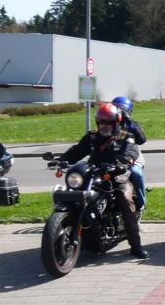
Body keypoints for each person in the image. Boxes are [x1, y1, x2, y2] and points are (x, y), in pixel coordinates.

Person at [60, 103, 149, 258]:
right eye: (101, 122)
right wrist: (62, 160)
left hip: (117, 176)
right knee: (73, 192)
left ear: (116, 122)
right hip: (94, 175)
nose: (103, 125)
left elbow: (131, 151)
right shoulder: (92, 137)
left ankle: (136, 246)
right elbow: (77, 151)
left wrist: (124, 162)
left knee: (125, 199)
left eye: (108, 122)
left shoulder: (125, 136)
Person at [111, 96, 148, 209]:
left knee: (135, 172)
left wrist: (129, 122)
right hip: (115, 155)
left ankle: (141, 201)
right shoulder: (109, 124)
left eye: (122, 110)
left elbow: (142, 140)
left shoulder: (132, 124)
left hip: (133, 154)